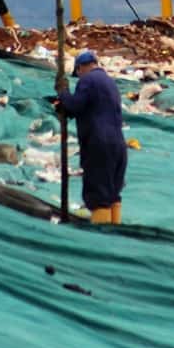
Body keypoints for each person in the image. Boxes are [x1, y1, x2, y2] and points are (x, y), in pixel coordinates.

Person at [56, 50, 127, 224]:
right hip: (118, 144)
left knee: (99, 194)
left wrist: (63, 92)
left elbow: (76, 105)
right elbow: (92, 108)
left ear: (80, 68)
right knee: (112, 192)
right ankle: (115, 232)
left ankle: (101, 239)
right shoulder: (110, 82)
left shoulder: (87, 80)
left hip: (98, 142)